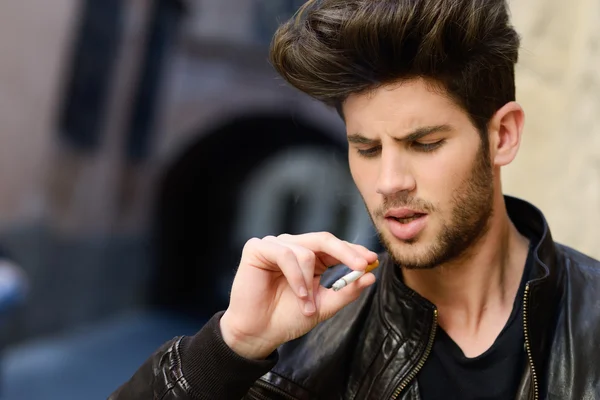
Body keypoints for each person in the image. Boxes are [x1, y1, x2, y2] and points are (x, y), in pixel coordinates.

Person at [109, 0, 600, 399]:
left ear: (503, 136)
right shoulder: (300, 350)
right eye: (366, 148)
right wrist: (230, 346)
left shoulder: (591, 321)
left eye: (424, 143)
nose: (389, 181)